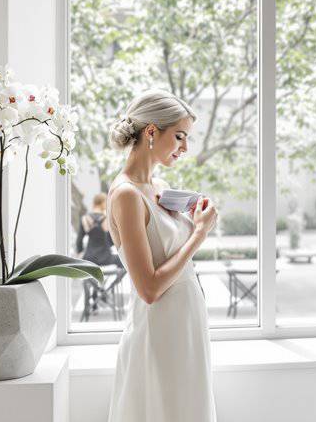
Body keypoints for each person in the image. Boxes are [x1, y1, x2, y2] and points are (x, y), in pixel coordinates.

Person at [105, 88, 218, 422]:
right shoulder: (126, 195)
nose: (185, 147)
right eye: (180, 136)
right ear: (151, 131)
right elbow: (149, 288)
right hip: (160, 331)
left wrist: (194, 216)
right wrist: (199, 233)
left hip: (185, 327)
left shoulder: (158, 188)